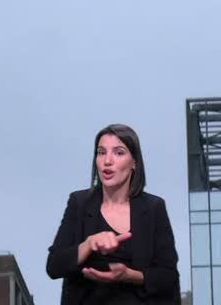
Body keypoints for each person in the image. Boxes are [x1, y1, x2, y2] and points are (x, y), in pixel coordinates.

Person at [46, 124, 180, 304]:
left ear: (134, 162)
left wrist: (129, 275)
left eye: (118, 152)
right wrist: (88, 245)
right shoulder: (79, 203)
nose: (107, 161)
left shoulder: (154, 207)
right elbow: (54, 266)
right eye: (101, 152)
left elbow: (168, 277)